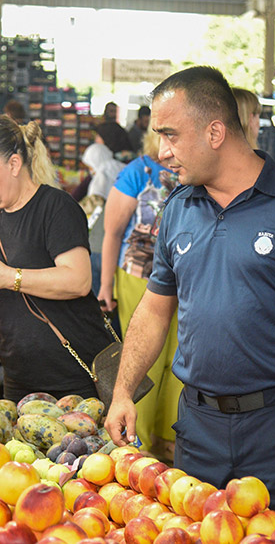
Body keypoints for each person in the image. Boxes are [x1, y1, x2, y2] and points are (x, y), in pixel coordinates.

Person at [104, 66, 275, 542]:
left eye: (171, 135)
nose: (162, 152)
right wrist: (122, 391)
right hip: (197, 431)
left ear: (215, 131)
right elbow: (155, 309)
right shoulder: (177, 208)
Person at [0, 115, 112, 400]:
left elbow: (78, 280)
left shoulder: (56, 207)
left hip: (71, 377)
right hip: (17, 375)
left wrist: (8, 276)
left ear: (14, 163)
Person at [96, 128, 182, 459]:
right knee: (142, 362)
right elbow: (112, 232)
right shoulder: (137, 171)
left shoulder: (195, 170)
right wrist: (105, 285)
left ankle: (171, 442)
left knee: (178, 363)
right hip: (138, 277)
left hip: (183, 280)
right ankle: (136, 444)